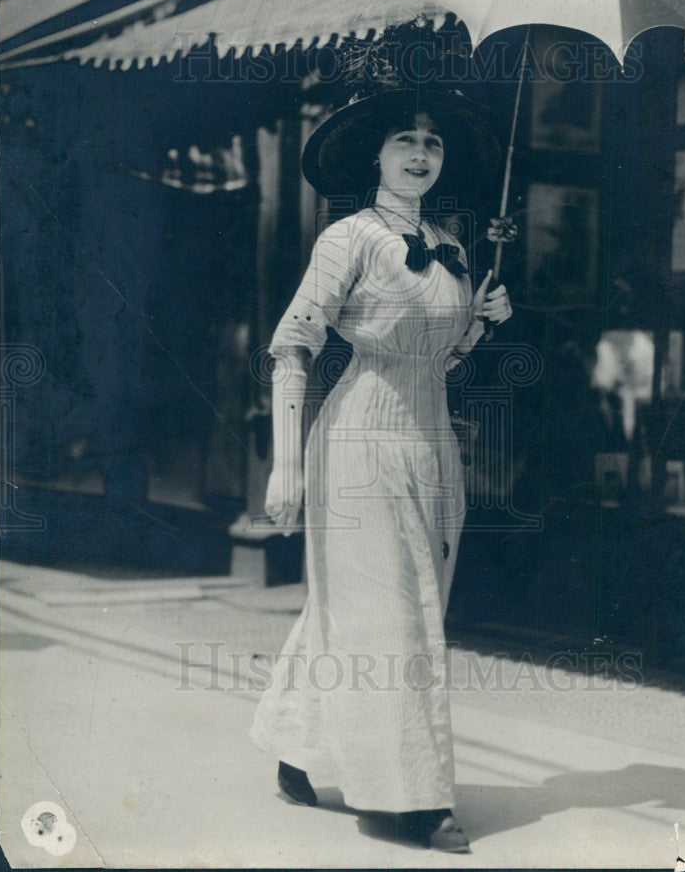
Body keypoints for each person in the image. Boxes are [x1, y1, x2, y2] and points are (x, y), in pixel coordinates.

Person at [250, 74, 513, 854]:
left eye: (432, 142)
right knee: (389, 619)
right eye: (406, 139)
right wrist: (285, 466)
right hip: (357, 443)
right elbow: (291, 345)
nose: (421, 154)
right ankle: (408, 800)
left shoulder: (459, 248)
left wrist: (483, 322)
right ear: (376, 152)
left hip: (433, 447)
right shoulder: (347, 240)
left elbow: (444, 357)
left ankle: (295, 743)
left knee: (391, 608)